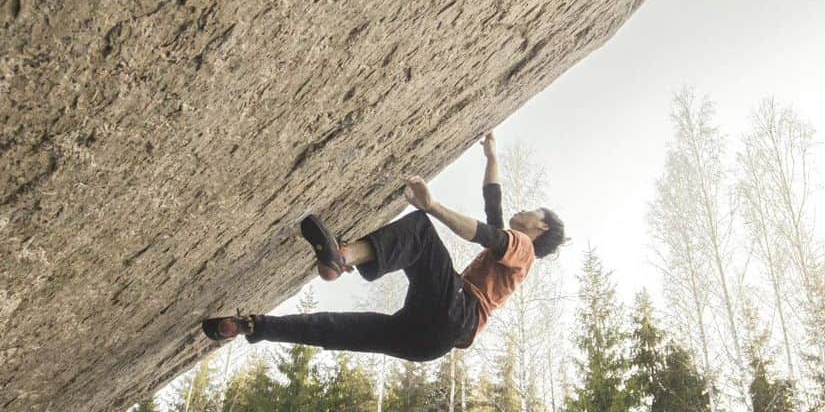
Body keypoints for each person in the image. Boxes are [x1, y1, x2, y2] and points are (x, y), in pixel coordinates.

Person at [202, 132, 566, 362]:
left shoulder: (524, 250)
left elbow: (486, 233)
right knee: (336, 329)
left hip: (459, 312)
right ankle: (248, 326)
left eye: (533, 211)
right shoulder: (515, 256)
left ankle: (341, 257)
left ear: (542, 225)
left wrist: (432, 206)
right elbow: (493, 206)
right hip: (431, 345)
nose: (524, 210)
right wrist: (492, 158)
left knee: (421, 230)